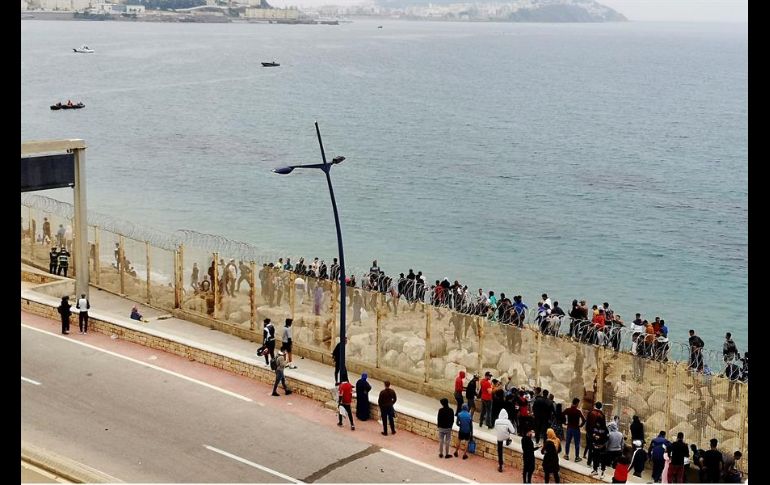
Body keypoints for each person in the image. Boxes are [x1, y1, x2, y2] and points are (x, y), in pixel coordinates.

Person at [562, 397, 585, 462]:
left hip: (569, 428)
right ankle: (577, 457)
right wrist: (580, 426)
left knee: (567, 442)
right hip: (576, 429)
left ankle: (566, 455)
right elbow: (584, 420)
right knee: (577, 443)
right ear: (577, 403)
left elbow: (562, 414)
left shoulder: (568, 410)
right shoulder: (578, 411)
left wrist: (564, 422)